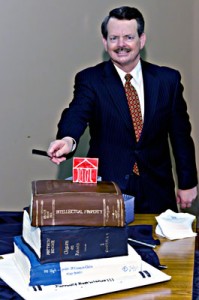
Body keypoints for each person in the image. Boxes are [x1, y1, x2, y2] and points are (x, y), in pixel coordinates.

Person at [47, 6, 198, 213]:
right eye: (114, 38)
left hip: (157, 189)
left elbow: (181, 136)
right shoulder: (90, 80)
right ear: (105, 42)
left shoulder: (167, 81)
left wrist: (187, 182)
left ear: (141, 40)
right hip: (109, 190)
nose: (121, 45)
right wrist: (67, 140)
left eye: (128, 37)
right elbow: (77, 112)